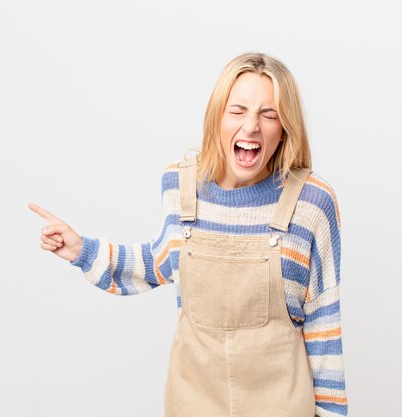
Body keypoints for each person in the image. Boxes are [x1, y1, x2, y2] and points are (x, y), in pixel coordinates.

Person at [28, 51, 348, 417]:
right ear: (217, 117)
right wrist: (81, 250)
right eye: (237, 110)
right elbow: (158, 262)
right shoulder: (180, 186)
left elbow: (325, 327)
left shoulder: (311, 202)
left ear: (285, 127)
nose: (251, 127)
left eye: (268, 114)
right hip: (193, 403)